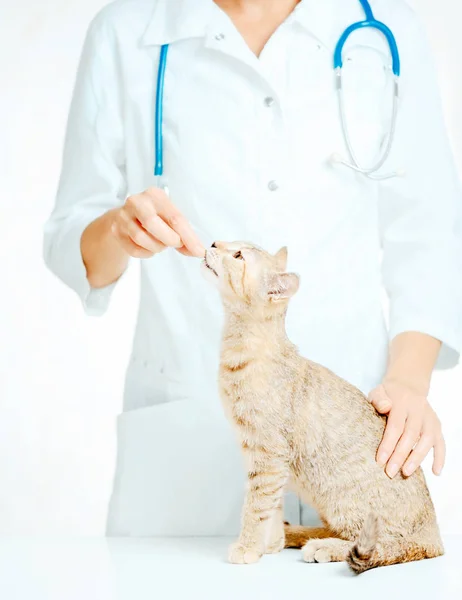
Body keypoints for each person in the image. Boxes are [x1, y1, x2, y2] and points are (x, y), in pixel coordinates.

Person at [44, 0, 462, 536]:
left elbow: (430, 230)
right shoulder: (126, 30)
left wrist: (407, 383)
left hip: (351, 431)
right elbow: (69, 241)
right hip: (186, 440)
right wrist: (118, 231)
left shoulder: (385, 31)